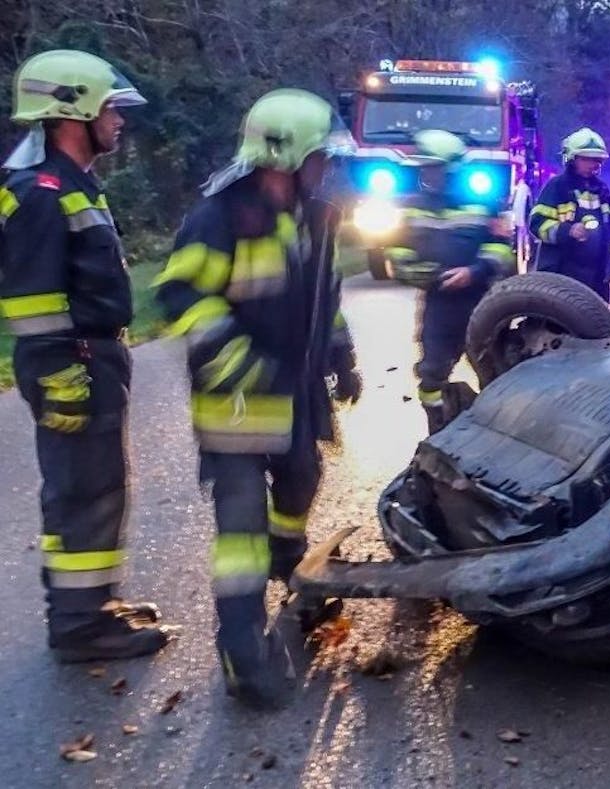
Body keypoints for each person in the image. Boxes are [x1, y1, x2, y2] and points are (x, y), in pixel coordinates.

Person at [155, 88, 360, 708]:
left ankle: (290, 564)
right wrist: (243, 365)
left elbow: (326, 295)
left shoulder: (319, 214)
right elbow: (181, 298)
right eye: (322, 155)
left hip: (295, 399)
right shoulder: (219, 216)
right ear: (287, 155)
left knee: (302, 480)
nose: (329, 166)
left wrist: (341, 354)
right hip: (237, 406)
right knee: (240, 528)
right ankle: (242, 650)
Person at [0, 49, 175, 662]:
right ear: (70, 112)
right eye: (111, 108)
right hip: (69, 362)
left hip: (91, 359)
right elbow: (31, 299)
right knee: (80, 489)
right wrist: (61, 377)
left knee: (100, 486)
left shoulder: (74, 185)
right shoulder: (41, 193)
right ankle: (77, 627)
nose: (120, 120)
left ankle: (91, 605)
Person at [384, 129, 515, 432]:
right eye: (424, 168)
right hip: (439, 304)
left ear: (451, 168)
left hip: (481, 304)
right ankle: (439, 432)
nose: (427, 173)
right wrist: (422, 274)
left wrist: (474, 272)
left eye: (433, 167)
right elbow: (398, 252)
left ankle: (499, 435)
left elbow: (500, 250)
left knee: (496, 373)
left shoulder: (483, 204)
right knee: (431, 375)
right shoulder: (412, 206)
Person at [528, 128, 610, 301]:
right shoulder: (557, 187)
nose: (593, 164)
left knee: (595, 323)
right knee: (560, 323)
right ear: (572, 159)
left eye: (596, 160)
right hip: (561, 276)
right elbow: (537, 224)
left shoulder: (602, 191)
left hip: (597, 278)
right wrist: (568, 231)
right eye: (586, 159)